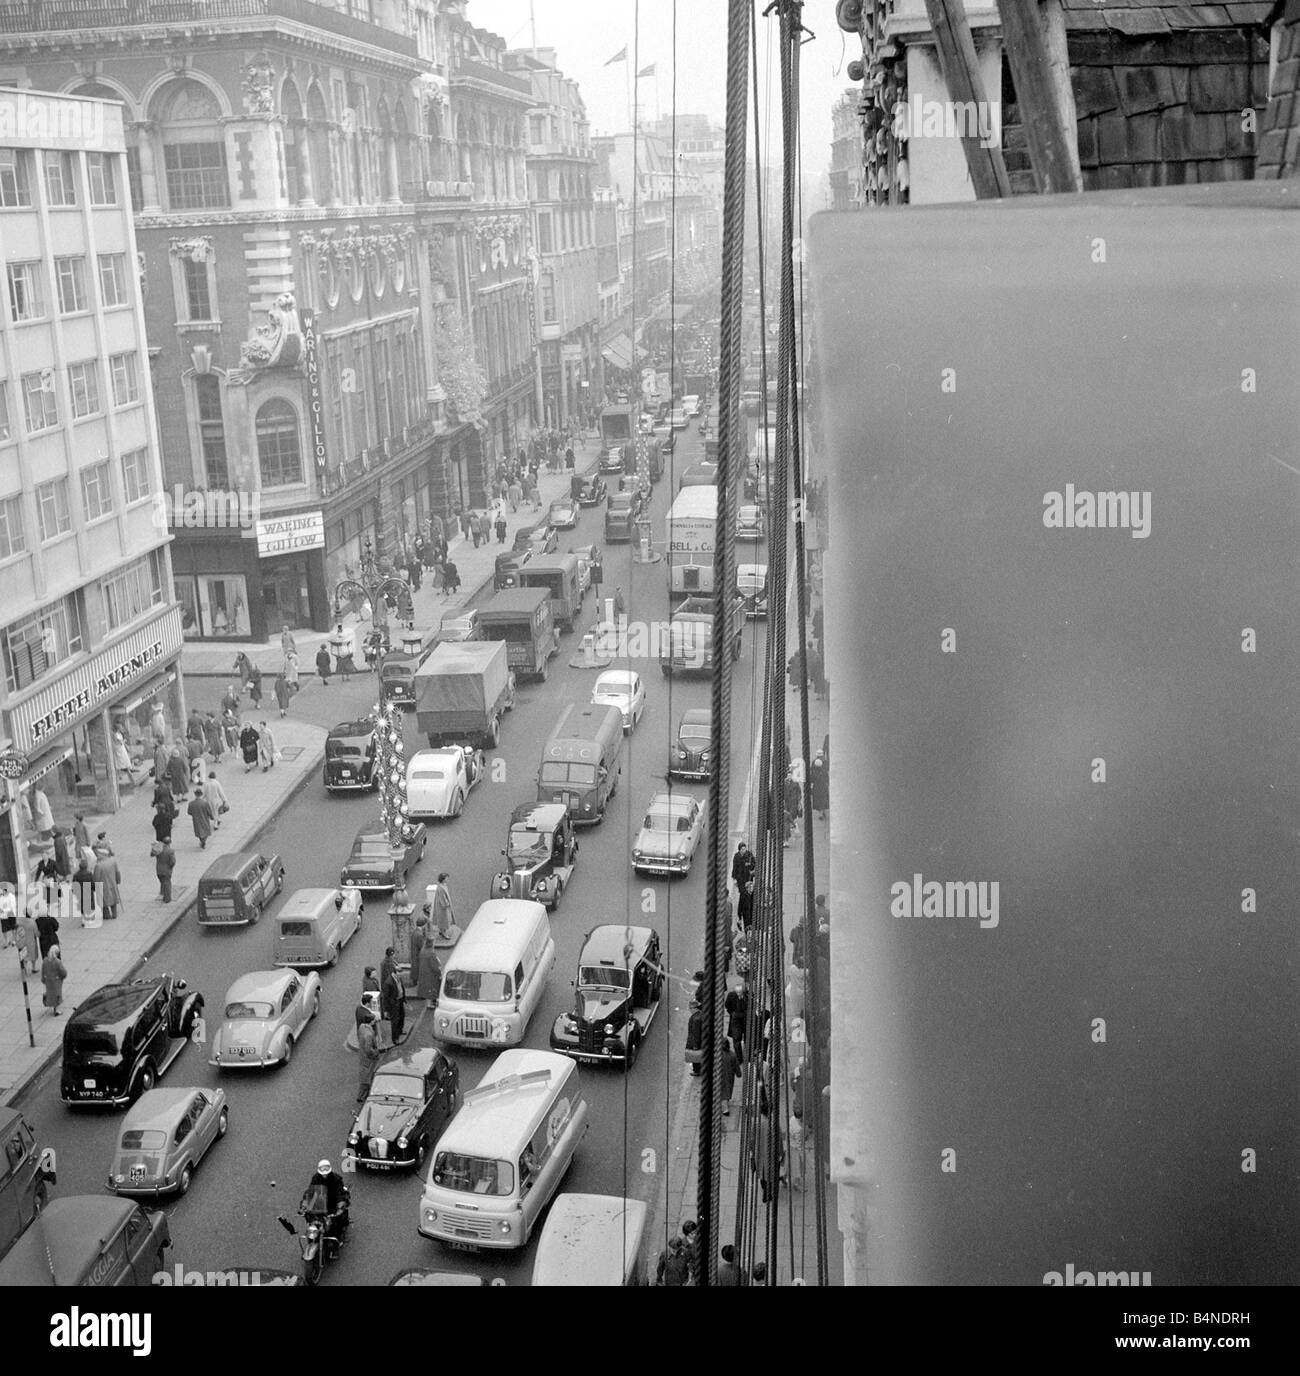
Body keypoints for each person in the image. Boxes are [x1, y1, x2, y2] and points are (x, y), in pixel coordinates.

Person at [301, 1159, 350, 1254]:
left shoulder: (336, 1178)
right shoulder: (316, 1178)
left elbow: (340, 1193)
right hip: (320, 1203)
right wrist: (304, 1205)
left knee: (336, 1222)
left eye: (326, 1171)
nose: (324, 1174)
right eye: (322, 1171)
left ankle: (338, 1238)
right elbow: (310, 1192)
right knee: (311, 1218)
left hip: (333, 1204)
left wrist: (340, 1206)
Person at [355, 1005, 381, 1103]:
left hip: (362, 1057)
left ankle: (362, 1095)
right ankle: (362, 1096)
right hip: (368, 1059)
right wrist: (376, 1052)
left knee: (364, 1076)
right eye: (374, 1020)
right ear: (371, 1021)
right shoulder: (369, 1034)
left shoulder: (362, 1027)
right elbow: (369, 1049)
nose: (375, 1022)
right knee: (367, 1078)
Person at [94, 848, 122, 921]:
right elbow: (117, 872)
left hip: (103, 885)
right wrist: (118, 881)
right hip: (113, 883)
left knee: (104, 901)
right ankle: (114, 914)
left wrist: (95, 886)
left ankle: (106, 915)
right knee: (114, 898)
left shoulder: (98, 865)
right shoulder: (113, 861)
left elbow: (96, 878)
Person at [382, 962, 406, 1044]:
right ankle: (395, 1038)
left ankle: (400, 1031)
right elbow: (385, 997)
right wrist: (386, 1010)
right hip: (394, 1004)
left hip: (400, 1000)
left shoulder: (398, 978)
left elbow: (401, 988)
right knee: (395, 1021)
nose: (400, 976)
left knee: (402, 1016)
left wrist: (403, 998)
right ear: (394, 973)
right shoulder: (388, 983)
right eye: (399, 974)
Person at [41, 945, 67, 1016]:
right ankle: (56, 1010)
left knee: (51, 993)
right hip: (56, 981)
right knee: (57, 994)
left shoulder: (45, 960)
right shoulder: (57, 962)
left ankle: (53, 1007)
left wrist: (43, 979)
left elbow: (43, 971)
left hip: (48, 981)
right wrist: (63, 976)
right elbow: (63, 972)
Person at [720, 1035, 739, 1117]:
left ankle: (725, 1109)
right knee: (727, 1090)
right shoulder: (732, 1054)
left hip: (720, 1075)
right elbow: (736, 1066)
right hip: (729, 1076)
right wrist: (738, 1073)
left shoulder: (717, 1054)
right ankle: (725, 1104)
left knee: (722, 1091)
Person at [809, 753, 829, 820]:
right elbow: (827, 778)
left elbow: (811, 780)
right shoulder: (824, 772)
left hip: (817, 788)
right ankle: (823, 811)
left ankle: (821, 813)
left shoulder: (814, 772)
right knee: (823, 800)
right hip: (824, 787)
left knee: (818, 801)